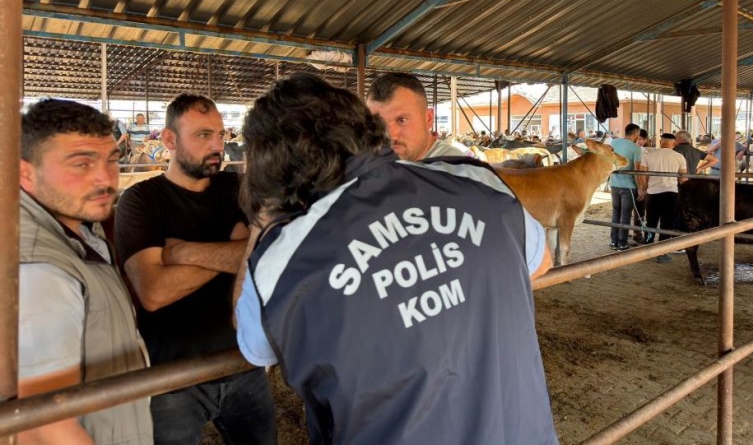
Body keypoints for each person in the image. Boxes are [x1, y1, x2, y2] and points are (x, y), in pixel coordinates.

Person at [235, 73, 558, 445]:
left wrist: (263, 221)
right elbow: (539, 261)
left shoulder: (285, 258)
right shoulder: (477, 184)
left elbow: (254, 348)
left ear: (270, 161)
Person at [115, 94, 276, 445]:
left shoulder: (234, 187)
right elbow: (154, 292)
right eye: (203, 135)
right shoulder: (141, 201)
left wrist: (184, 251)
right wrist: (234, 251)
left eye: (220, 135)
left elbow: (261, 256)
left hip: (242, 361)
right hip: (173, 376)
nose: (217, 145)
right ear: (169, 140)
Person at [18, 99, 152, 444]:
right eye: (81, 164)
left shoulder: (79, 229)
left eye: (111, 160)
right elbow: (42, 425)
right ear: (26, 173)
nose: (106, 179)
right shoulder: (40, 267)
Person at [366, 72, 464, 160]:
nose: (390, 136)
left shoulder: (458, 173)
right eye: (378, 123)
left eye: (402, 120)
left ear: (428, 119)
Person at [637, 133, 688, 262]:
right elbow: (683, 179)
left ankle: (647, 249)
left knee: (651, 222)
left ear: (660, 142)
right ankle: (662, 252)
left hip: (653, 193)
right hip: (671, 194)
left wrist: (643, 189)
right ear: (674, 143)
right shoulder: (679, 157)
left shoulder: (648, 155)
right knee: (667, 223)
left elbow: (642, 175)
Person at [609, 123, 643, 251]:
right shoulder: (636, 148)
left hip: (614, 183)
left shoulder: (613, 143)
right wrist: (640, 188)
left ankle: (613, 241)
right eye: (638, 135)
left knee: (615, 212)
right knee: (625, 214)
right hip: (628, 185)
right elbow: (637, 170)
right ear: (635, 134)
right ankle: (622, 242)